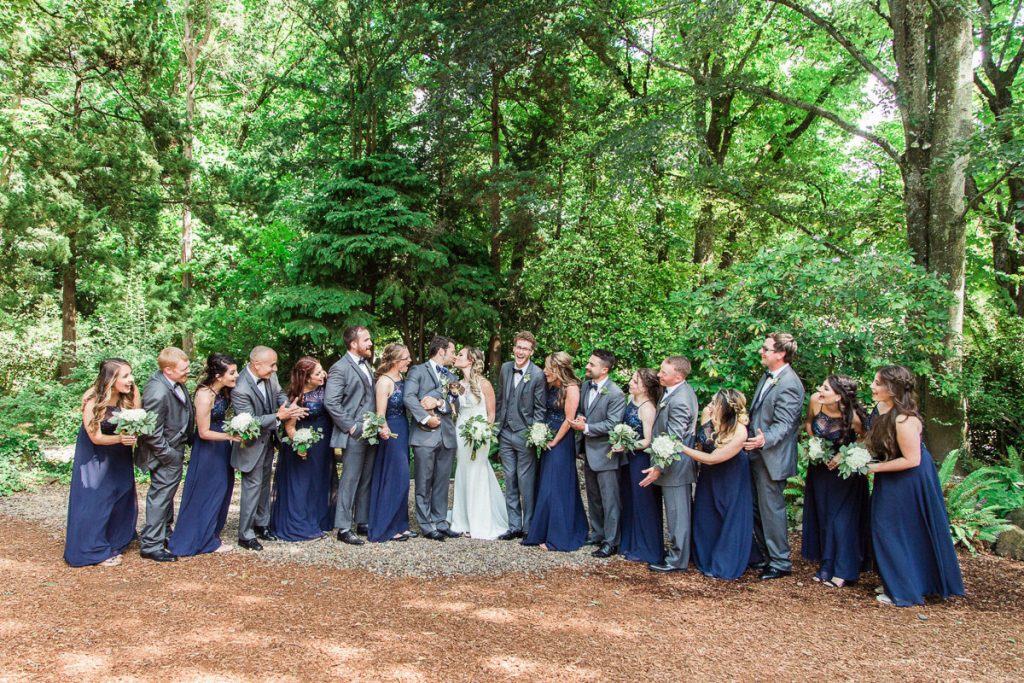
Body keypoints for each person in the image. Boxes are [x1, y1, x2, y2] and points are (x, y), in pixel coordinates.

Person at [866, 365, 964, 607]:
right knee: (885, 528)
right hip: (891, 476)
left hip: (908, 481)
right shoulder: (884, 410)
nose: (872, 386)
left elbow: (912, 460)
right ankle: (898, 581)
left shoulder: (904, 419)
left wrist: (873, 468)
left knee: (891, 529)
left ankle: (904, 591)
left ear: (892, 388)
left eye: (878, 383)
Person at [64, 358, 141, 567]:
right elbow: (95, 437)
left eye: (130, 374)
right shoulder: (93, 400)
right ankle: (91, 549)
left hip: (120, 455)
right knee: (97, 500)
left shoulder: (130, 393)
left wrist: (134, 433)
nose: (131, 379)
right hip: (96, 456)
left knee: (121, 494)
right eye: (125, 376)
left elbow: (137, 416)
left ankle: (113, 541)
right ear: (111, 379)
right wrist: (120, 438)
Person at [743, 333, 805, 580]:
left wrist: (764, 439)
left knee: (772, 510)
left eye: (766, 348)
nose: (761, 351)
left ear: (780, 354)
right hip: (756, 453)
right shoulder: (767, 376)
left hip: (772, 456)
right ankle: (767, 555)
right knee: (756, 508)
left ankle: (780, 561)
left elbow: (785, 424)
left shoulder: (790, 383)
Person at [231, 346, 305, 551]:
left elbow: (280, 395)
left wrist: (290, 407)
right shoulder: (240, 388)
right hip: (251, 444)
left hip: (268, 441)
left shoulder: (270, 376)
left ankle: (262, 524)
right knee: (252, 487)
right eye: (272, 365)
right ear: (257, 365)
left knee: (264, 484)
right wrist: (279, 416)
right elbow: (250, 421)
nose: (275, 369)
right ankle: (245, 534)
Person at [167, 353, 241, 556]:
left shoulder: (223, 391)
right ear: (218, 376)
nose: (236, 375)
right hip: (208, 449)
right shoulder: (204, 395)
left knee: (222, 490)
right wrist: (230, 436)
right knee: (208, 491)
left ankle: (210, 533)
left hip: (221, 446)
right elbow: (203, 432)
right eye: (232, 372)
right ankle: (200, 539)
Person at [801, 374, 870, 588]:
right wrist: (816, 446)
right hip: (820, 469)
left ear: (839, 396)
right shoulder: (816, 402)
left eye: (826, 389)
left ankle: (844, 570)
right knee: (824, 517)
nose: (820, 391)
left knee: (841, 521)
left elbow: (866, 438)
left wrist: (843, 455)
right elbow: (809, 424)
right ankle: (826, 564)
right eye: (821, 386)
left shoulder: (854, 417)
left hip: (844, 474)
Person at [685, 389, 754, 580]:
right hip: (708, 474)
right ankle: (704, 556)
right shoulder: (707, 415)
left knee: (729, 514)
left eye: (715, 402)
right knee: (705, 512)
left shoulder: (740, 431)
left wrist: (681, 448)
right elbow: (702, 444)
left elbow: (712, 458)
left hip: (731, 474)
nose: (710, 405)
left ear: (725, 407)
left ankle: (725, 561)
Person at [522, 352, 588, 552]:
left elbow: (569, 420)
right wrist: (540, 435)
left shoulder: (572, 388)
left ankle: (559, 537)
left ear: (557, 369)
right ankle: (544, 531)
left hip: (561, 441)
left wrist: (555, 441)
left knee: (556, 487)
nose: (544, 371)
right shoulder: (552, 386)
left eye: (547, 368)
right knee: (547, 484)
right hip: (548, 439)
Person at [640, 356, 699, 572]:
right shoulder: (674, 391)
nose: (659, 375)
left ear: (679, 377)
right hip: (671, 466)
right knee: (675, 513)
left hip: (676, 468)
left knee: (677, 514)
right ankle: (677, 554)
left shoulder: (681, 399)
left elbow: (675, 440)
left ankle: (677, 560)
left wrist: (658, 467)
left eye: (664, 372)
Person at [136, 347, 194, 562]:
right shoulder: (158, 391)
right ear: (168, 370)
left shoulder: (175, 381)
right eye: (184, 368)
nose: (188, 371)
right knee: (160, 497)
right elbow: (151, 431)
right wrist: (169, 455)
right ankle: (151, 544)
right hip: (163, 453)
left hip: (173, 448)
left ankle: (164, 533)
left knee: (167, 495)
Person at [271, 357, 337, 541]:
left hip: (323, 445)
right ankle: (299, 525)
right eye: (317, 373)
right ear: (306, 378)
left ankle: (318, 519)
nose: (322, 375)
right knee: (302, 484)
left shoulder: (325, 388)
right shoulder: (297, 397)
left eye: (322, 371)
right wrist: (300, 444)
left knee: (319, 480)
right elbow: (290, 428)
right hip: (303, 445)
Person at [570, 349, 626, 558]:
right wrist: (581, 417)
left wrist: (585, 428)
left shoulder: (616, 393)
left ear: (605, 370)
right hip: (588, 452)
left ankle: (611, 542)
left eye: (592, 364)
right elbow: (583, 410)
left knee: (610, 501)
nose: (587, 366)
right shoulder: (586, 386)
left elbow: (613, 423)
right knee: (593, 496)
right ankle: (597, 533)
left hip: (607, 454)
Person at [404, 336, 461, 541]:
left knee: (442, 483)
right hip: (424, 435)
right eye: (452, 351)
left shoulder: (452, 376)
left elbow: (456, 404)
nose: (455, 356)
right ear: (441, 351)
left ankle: (441, 521)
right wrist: (427, 418)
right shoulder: (417, 371)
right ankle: (426, 524)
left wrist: (439, 403)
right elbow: (409, 397)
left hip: (446, 436)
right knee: (423, 482)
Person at [450, 346, 508, 539]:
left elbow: (491, 414)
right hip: (461, 432)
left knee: (477, 471)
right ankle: (463, 521)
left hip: (479, 434)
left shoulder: (484, 384)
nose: (456, 356)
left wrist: (483, 433)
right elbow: (455, 410)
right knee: (463, 470)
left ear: (471, 361)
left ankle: (480, 522)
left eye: (460, 354)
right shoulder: (456, 384)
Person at [325, 326, 377, 545]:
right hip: (353, 433)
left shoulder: (367, 365)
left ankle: (362, 521)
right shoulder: (340, 368)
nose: (370, 343)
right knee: (350, 479)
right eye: (366, 340)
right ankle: (344, 527)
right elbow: (331, 402)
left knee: (366, 478)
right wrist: (351, 427)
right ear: (353, 344)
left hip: (371, 432)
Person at [494, 331, 547, 540]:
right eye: (518, 347)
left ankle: (528, 527)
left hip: (525, 435)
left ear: (531, 352)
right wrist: (498, 428)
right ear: (514, 348)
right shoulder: (505, 368)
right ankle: (514, 526)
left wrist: (534, 434)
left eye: (525, 348)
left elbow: (540, 409)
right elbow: (500, 399)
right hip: (505, 433)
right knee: (510, 480)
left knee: (526, 482)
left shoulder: (538, 374)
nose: (521, 351)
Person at [367, 344, 414, 542]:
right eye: (406, 358)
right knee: (396, 476)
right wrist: (384, 429)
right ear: (395, 361)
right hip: (391, 432)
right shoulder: (384, 382)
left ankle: (400, 524)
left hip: (403, 428)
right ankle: (386, 526)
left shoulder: (401, 378)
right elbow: (380, 414)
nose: (409, 361)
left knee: (402, 478)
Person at [617, 368, 663, 564]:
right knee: (628, 499)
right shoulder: (630, 400)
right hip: (628, 459)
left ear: (645, 387)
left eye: (635, 381)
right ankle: (629, 542)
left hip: (641, 461)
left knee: (642, 501)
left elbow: (647, 441)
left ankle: (646, 547)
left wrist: (627, 445)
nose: (630, 383)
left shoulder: (648, 408)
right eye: (632, 379)